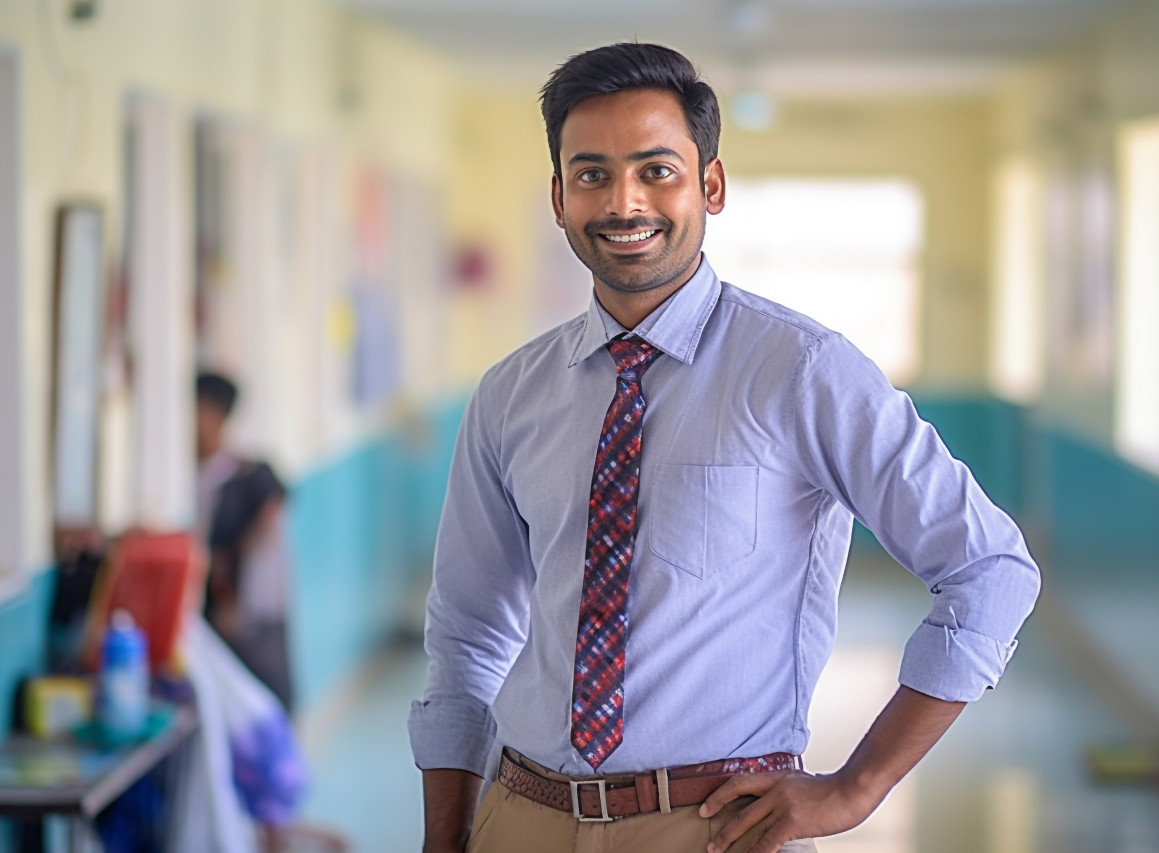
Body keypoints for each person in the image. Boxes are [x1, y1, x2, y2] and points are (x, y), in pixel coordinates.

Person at [408, 43, 1040, 853]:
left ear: (710, 185)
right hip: (521, 815)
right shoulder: (510, 393)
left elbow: (990, 571)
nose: (623, 201)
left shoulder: (803, 370)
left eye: (656, 170)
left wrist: (856, 787)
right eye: (592, 174)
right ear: (560, 197)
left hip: (715, 827)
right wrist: (446, 835)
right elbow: (465, 632)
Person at [195, 371, 295, 713]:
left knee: (262, 701)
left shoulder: (253, 477)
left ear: (216, 415)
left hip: (248, 617)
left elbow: (266, 538)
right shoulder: (185, 479)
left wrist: (238, 601)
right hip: (209, 617)